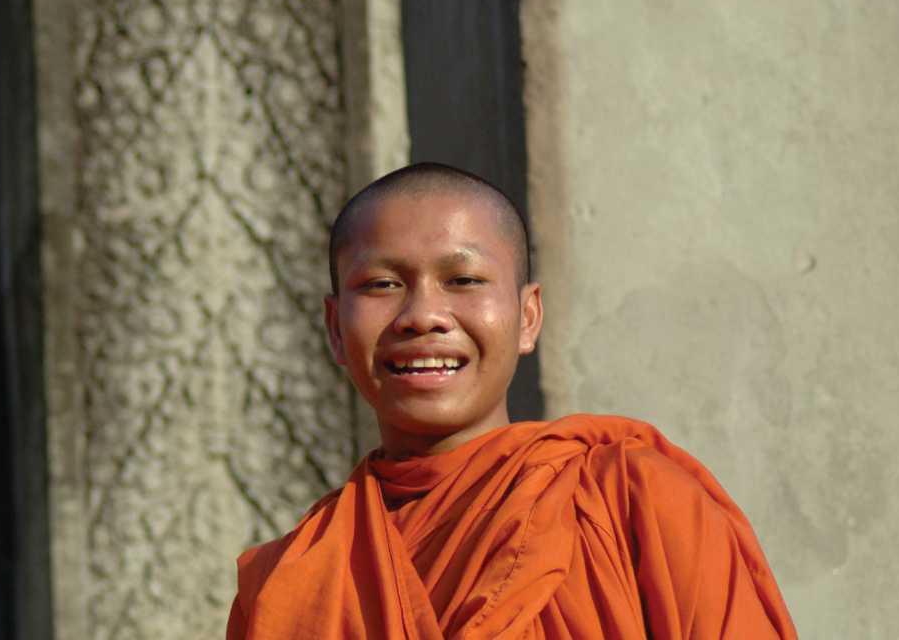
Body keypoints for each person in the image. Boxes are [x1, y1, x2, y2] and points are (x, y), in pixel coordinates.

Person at [226, 163, 794, 639]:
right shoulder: (293, 583)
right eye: (382, 284)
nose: (423, 315)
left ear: (527, 318)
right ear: (333, 328)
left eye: (464, 280)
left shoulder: (633, 503)